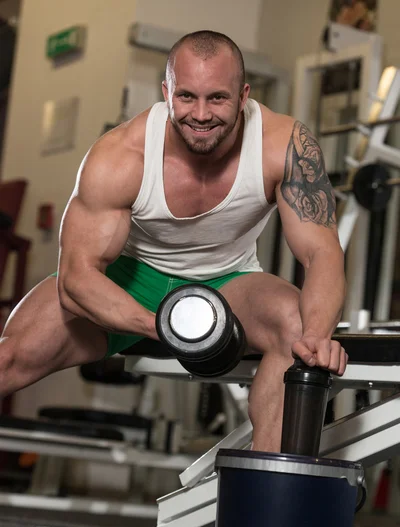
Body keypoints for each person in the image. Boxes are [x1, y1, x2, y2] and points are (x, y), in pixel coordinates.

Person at [0, 30, 347, 452]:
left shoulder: (284, 145)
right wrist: (167, 327)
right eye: (186, 97)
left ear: (243, 95)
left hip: (229, 279)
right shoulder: (121, 155)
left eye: (217, 98)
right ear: (167, 92)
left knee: (297, 334)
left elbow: (321, 251)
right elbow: (76, 279)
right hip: (131, 278)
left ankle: (264, 500)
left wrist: (317, 335)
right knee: (9, 357)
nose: (200, 114)